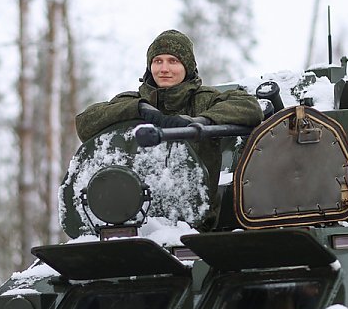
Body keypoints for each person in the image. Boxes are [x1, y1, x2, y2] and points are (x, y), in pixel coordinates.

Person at [75, 29, 262, 229]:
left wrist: (200, 121)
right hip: (134, 218)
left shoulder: (205, 100)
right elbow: (85, 123)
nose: (164, 69)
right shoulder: (131, 101)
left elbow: (250, 107)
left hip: (194, 221)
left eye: (173, 61)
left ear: (187, 66)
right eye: (157, 61)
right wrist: (138, 109)